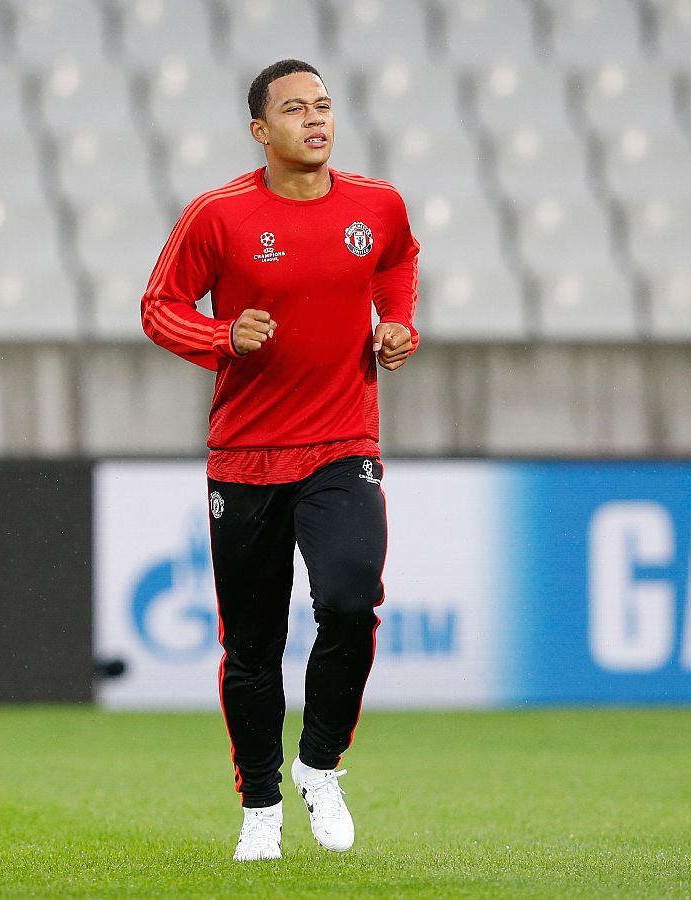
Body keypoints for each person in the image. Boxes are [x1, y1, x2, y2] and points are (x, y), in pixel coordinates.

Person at [142, 58, 419, 862]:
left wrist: (396, 323)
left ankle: (320, 766)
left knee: (348, 598)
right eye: (295, 109)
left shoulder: (378, 204)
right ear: (261, 131)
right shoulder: (217, 216)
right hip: (245, 457)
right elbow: (159, 309)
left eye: (324, 105)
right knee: (253, 646)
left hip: (342, 444)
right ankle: (260, 804)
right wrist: (220, 336)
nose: (316, 119)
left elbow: (397, 262)